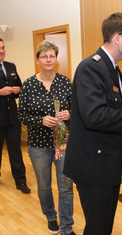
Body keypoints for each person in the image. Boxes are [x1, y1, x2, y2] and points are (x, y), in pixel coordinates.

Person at [63, 12, 122, 235]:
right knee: (98, 228)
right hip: (92, 166)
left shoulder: (113, 68)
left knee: (103, 227)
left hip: (106, 163)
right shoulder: (91, 67)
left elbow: (110, 112)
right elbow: (93, 116)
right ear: (117, 37)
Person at [18, 41, 75, 235]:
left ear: (56, 59)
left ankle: (67, 227)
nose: (48, 60)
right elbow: (22, 115)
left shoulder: (66, 82)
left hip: (63, 145)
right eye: (44, 56)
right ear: (38, 60)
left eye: (52, 56)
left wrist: (70, 114)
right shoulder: (28, 84)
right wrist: (40, 120)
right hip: (38, 145)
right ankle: (51, 217)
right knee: (44, 186)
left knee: (66, 187)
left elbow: (79, 109)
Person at [0, 38, 31, 194]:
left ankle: (20, 181)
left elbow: (19, 84)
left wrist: (17, 89)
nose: (1, 51)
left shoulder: (10, 66)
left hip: (13, 117)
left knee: (15, 150)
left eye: (3, 47)